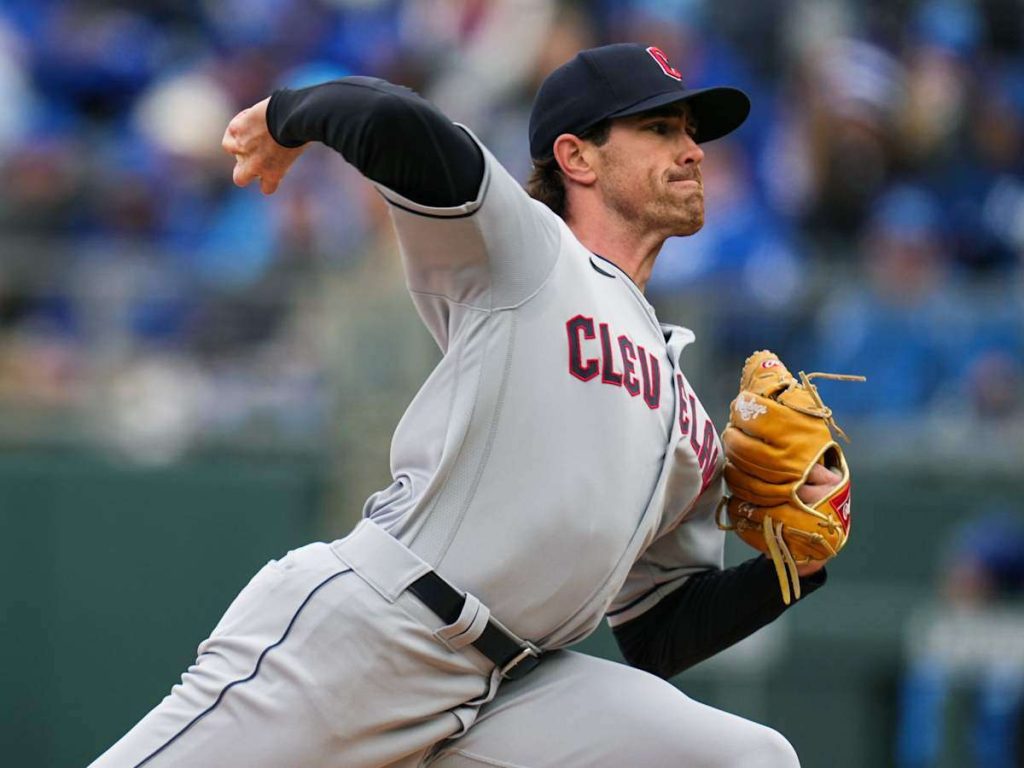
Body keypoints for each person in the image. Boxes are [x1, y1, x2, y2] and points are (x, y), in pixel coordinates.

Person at [89, 43, 841, 768]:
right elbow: (398, 126)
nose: (692, 150)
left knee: (749, 757)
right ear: (576, 157)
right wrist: (289, 116)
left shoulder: (685, 409)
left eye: (689, 132)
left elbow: (660, 633)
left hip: (513, 688)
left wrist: (794, 565)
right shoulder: (530, 251)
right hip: (375, 635)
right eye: (658, 128)